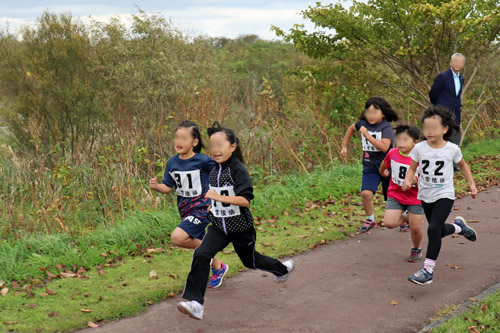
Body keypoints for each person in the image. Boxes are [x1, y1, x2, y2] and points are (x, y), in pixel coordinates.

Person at [177, 121, 294, 320]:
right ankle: (196, 303)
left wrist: (218, 198)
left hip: (240, 228)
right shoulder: (213, 168)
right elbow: (202, 176)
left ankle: (281, 269)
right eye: (212, 146)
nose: (215, 150)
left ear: (232, 147)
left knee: (251, 261)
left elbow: (244, 200)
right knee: (202, 253)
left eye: (220, 146)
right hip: (219, 227)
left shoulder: (237, 169)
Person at [402, 106, 477, 285]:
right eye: (426, 128)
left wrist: (472, 184)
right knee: (439, 230)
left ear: (445, 129)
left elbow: (464, 166)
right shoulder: (419, 148)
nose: (429, 132)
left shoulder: (451, 149)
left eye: (434, 128)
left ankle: (427, 270)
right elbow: (412, 167)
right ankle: (459, 227)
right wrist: (408, 179)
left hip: (444, 194)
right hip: (425, 195)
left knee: (433, 229)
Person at [149, 120, 228, 289]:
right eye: (177, 137)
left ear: (195, 142)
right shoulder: (172, 163)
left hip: (202, 208)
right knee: (196, 241)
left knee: (177, 237)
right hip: (185, 210)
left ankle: (210, 251)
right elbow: (168, 187)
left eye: (184, 138)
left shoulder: (203, 161)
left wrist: (217, 199)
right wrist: (157, 187)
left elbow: (223, 173)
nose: (179, 142)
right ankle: (219, 268)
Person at [341, 97, 398, 233]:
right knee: (365, 193)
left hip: (388, 167)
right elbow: (350, 129)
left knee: (394, 196)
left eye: (374, 112)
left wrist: (367, 135)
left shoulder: (386, 127)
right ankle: (370, 219)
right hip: (370, 167)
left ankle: (404, 218)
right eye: (368, 112)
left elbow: (384, 147)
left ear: (383, 113)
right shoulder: (362, 123)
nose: (370, 116)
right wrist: (344, 146)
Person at [379, 125, 424, 262]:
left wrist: (418, 181)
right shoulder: (392, 153)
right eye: (399, 139)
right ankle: (407, 217)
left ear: (415, 142)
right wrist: (383, 172)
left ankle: (416, 249)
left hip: (415, 196)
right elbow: (384, 165)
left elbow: (428, 179)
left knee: (415, 227)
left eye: (405, 140)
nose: (401, 143)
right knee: (389, 223)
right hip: (396, 194)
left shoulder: (422, 157)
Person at [428, 53, 465, 148]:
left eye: (460, 62)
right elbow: (433, 93)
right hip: (442, 112)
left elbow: (457, 96)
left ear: (463, 64)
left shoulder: (461, 78)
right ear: (451, 63)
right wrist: (438, 107)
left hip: (455, 113)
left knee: (455, 137)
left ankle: (454, 161)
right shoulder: (443, 76)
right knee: (442, 137)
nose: (457, 64)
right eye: (455, 61)